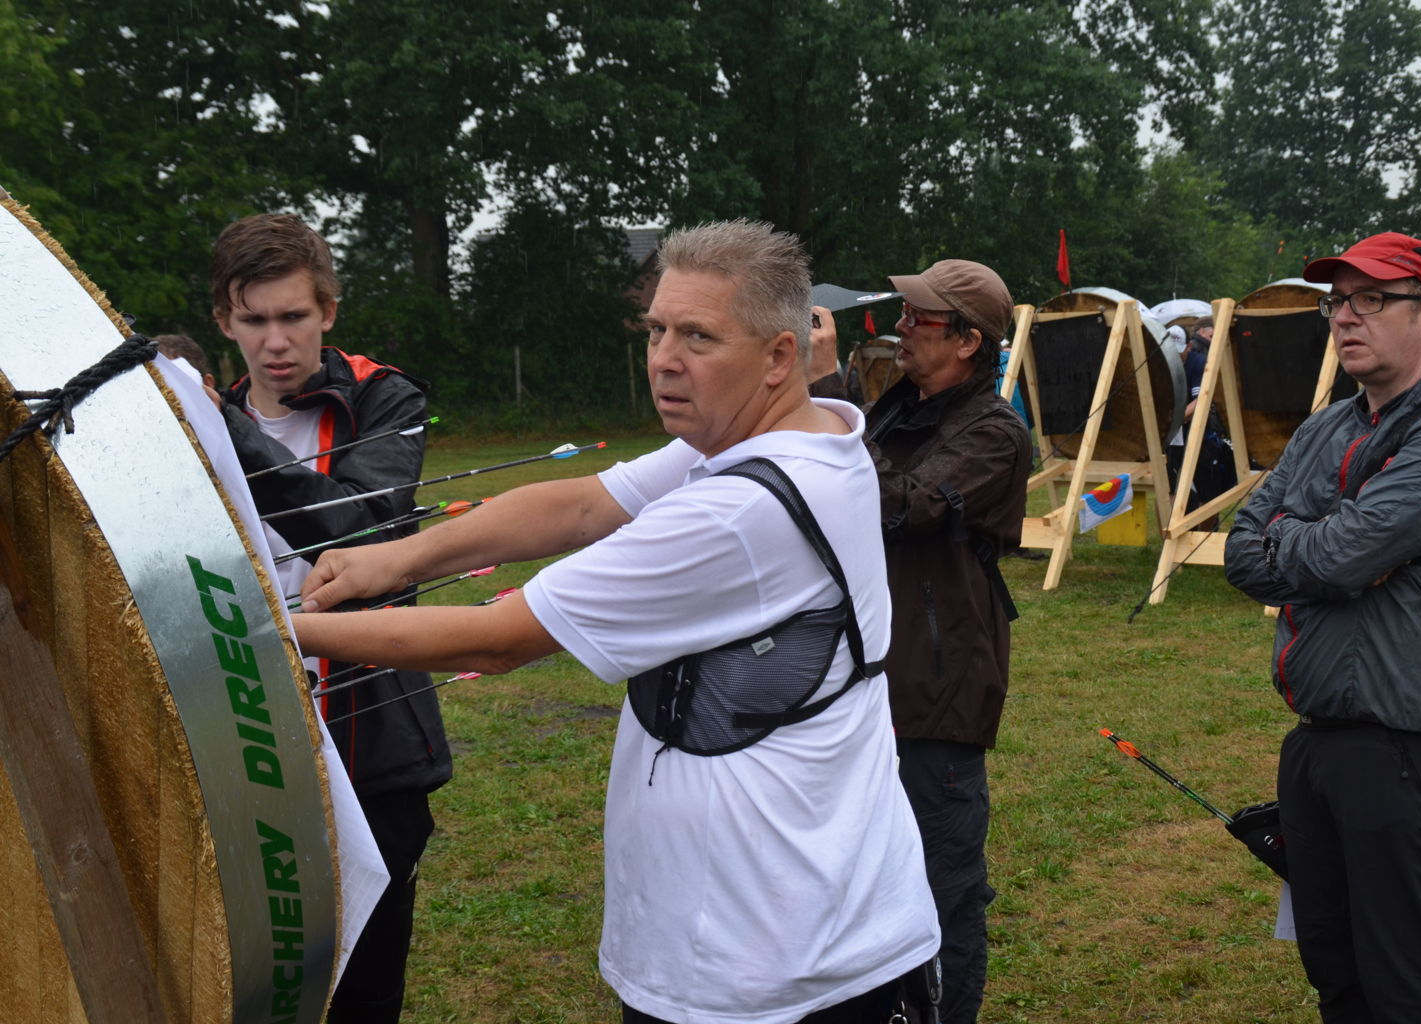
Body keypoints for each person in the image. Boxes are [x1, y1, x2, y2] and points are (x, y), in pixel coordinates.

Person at [295, 220, 941, 1023]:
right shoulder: (789, 432)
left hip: (776, 966)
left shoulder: (738, 510)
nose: (664, 358)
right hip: (789, 927)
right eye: (656, 330)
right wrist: (394, 561)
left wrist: (279, 633)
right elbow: (584, 504)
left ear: (779, 356)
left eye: (698, 337)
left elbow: (500, 640)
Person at [1224, 232, 1421, 1024]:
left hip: (1413, 745)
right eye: (1338, 302)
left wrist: (1319, 542)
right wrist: (1327, 545)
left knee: (1409, 984)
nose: (1347, 317)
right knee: (1338, 973)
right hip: (1318, 739)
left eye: (1372, 299)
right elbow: (1243, 552)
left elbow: (1340, 556)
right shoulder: (1326, 426)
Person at [209, 213, 452, 1024]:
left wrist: (227, 435)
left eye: (294, 316)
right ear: (225, 321)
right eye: (254, 320)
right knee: (259, 980)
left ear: (329, 311)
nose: (276, 342)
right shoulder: (199, 420)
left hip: (371, 745)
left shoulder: (387, 397)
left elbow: (358, 527)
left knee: (365, 991)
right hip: (244, 737)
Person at [810, 259, 1032, 1023]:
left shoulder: (995, 432)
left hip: (936, 693)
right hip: (861, 682)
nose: (901, 328)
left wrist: (831, 397)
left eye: (918, 319)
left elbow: (899, 507)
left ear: (968, 341)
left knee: (941, 894)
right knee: (852, 884)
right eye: (903, 314)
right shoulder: (898, 411)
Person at [1165, 316, 1236, 531]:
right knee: (1169, 489)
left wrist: (1173, 419)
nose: (1176, 356)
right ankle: (1176, 537)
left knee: (1210, 493)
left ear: (1188, 346)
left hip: (1200, 435)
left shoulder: (1198, 362)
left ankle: (1205, 536)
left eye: (1179, 351)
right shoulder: (1163, 362)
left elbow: (1201, 400)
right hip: (1171, 437)